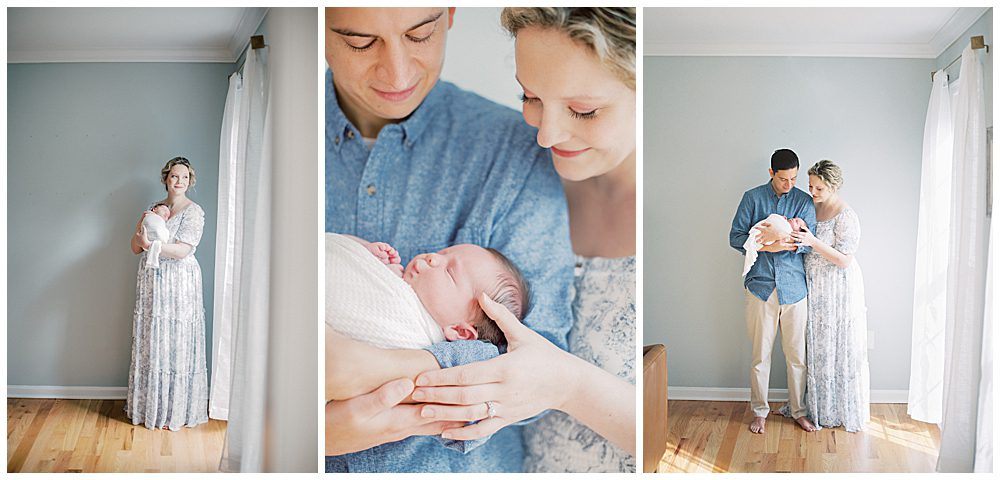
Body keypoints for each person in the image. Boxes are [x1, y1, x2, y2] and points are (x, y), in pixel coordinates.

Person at [324, 7, 574, 472]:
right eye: (360, 42)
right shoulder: (277, 130)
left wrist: (364, 368)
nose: (397, 71)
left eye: (420, 34)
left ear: (451, 15)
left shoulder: (516, 147)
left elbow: (538, 367)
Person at [411, 7, 637, 473]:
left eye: (583, 110)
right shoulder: (516, 175)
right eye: (529, 95)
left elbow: (671, 426)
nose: (546, 134)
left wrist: (568, 384)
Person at [324, 232, 528, 358]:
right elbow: (340, 251)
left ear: (460, 331)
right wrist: (366, 251)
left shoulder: (416, 343)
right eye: (443, 253)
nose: (433, 258)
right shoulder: (395, 276)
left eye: (449, 272)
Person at [729, 148, 817, 434]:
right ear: (771, 173)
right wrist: (767, 244)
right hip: (761, 287)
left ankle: (799, 411)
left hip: (795, 289)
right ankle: (759, 412)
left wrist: (779, 243)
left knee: (797, 357)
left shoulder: (804, 201)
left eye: (793, 178)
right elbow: (736, 237)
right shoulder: (752, 198)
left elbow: (807, 242)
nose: (789, 184)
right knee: (760, 355)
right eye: (783, 179)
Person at [784, 160, 870, 432]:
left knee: (836, 345)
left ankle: (837, 408)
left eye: (819, 187)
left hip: (837, 288)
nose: (813, 191)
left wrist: (812, 242)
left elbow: (845, 259)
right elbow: (803, 238)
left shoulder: (846, 215)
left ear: (833, 186)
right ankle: (814, 406)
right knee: (815, 346)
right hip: (813, 284)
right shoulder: (811, 206)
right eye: (810, 186)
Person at [126, 156, 209, 431]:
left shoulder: (193, 211)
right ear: (166, 178)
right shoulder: (154, 210)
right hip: (153, 281)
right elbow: (135, 246)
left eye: (184, 177)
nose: (179, 181)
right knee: (153, 340)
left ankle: (174, 410)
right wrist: (143, 242)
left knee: (176, 340)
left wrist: (152, 247)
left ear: (190, 181)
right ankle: (151, 408)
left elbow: (185, 250)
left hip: (179, 282)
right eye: (175, 176)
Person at [141, 203, 172, 268]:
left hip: (156, 243)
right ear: (154, 209)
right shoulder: (149, 215)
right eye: (164, 210)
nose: (166, 213)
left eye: (167, 217)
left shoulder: (161, 222)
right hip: (147, 237)